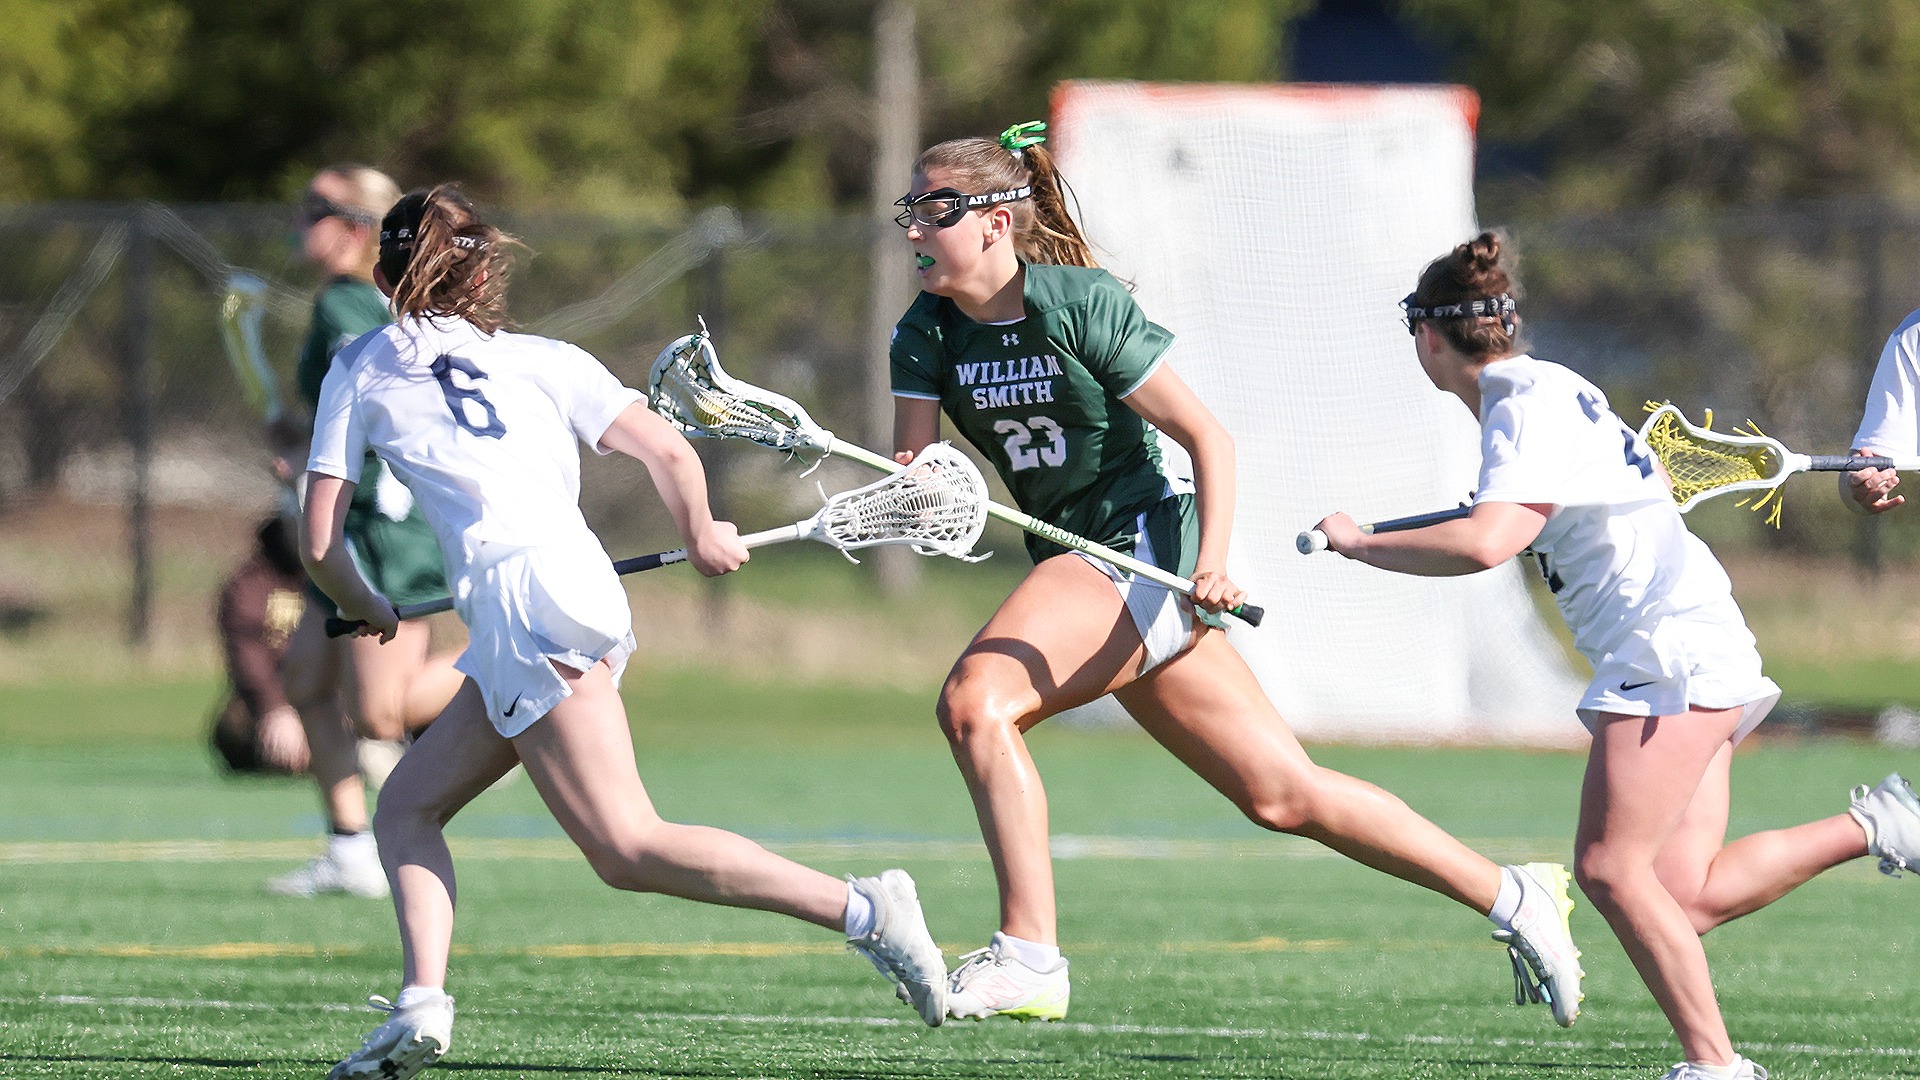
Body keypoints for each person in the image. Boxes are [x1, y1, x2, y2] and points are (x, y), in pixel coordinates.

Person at [886, 122, 1583, 1027]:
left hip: (1141, 544)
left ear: (992, 221)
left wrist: (1210, 562)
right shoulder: (924, 334)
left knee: (977, 702)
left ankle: (1030, 954)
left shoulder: (1076, 303)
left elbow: (1209, 437)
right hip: (1074, 564)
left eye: (934, 210)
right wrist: (887, 499)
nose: (913, 231)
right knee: (1283, 794)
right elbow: (916, 480)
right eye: (910, 211)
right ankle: (1513, 894)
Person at [306, 185, 948, 1079]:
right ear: (483, 272)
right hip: (560, 591)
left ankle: (866, 910)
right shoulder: (544, 357)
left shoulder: (358, 365)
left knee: (627, 847)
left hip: (524, 601)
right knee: (408, 807)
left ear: (381, 276)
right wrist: (701, 530)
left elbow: (320, 541)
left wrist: (366, 602)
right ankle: (420, 1006)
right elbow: (671, 451)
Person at [1313, 232, 1920, 1080]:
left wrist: (1363, 547)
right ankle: (1880, 825)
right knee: (1682, 893)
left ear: (1428, 339)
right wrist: (1380, 533)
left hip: (1664, 650)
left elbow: (1491, 543)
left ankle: (1716, 1066)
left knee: (1608, 870)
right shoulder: (1548, 385)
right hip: (1692, 637)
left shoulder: (1518, 402)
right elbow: (1516, 516)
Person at [266, 164, 468, 900]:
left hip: (383, 532)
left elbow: (383, 405)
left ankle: (522, 645)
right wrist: (299, 435)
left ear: (355, 227)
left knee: (380, 712)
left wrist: (307, 453)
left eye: (315, 209)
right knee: (305, 681)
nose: (300, 221)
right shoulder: (345, 303)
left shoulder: (350, 306)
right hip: (345, 530)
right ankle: (349, 847)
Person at [208, 515, 311, 775]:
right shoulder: (248, 585)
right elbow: (248, 658)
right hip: (277, 698)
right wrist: (275, 708)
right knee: (234, 726)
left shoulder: (341, 577)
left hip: (330, 695)